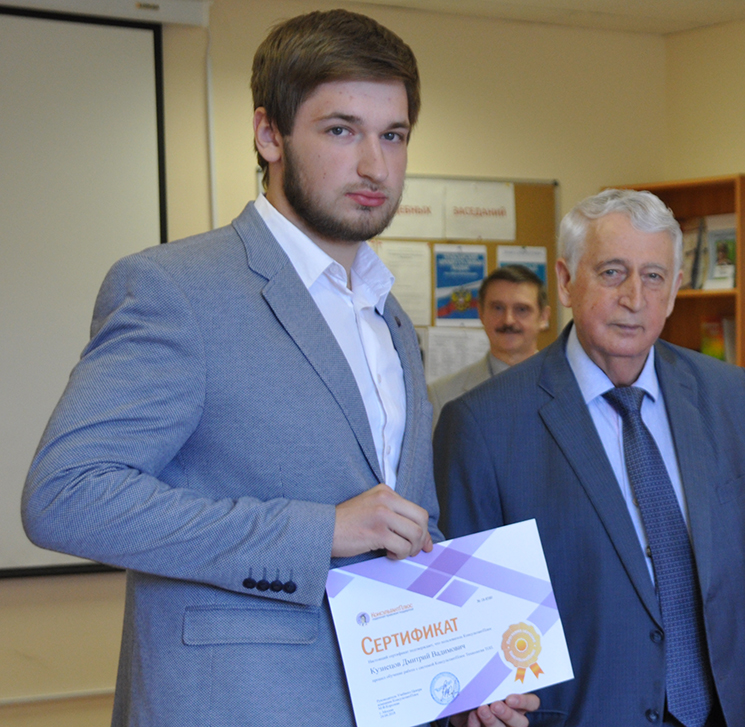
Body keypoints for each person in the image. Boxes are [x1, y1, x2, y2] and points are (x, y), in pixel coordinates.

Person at [22, 9, 535, 727]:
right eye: (341, 130)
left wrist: (457, 676)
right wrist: (318, 531)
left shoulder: (388, 317)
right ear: (269, 135)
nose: (374, 165)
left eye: (392, 136)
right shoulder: (178, 288)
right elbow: (67, 496)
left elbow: (401, 529)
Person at [435, 189, 745, 726]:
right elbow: (462, 626)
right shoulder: (482, 423)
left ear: (675, 289)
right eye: (612, 272)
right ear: (566, 282)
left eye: (653, 276)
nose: (635, 298)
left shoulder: (729, 396)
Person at [429, 264, 550, 428]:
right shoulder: (442, 395)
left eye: (521, 309)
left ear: (543, 317)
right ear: (481, 313)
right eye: (497, 308)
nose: (508, 320)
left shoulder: (570, 389)